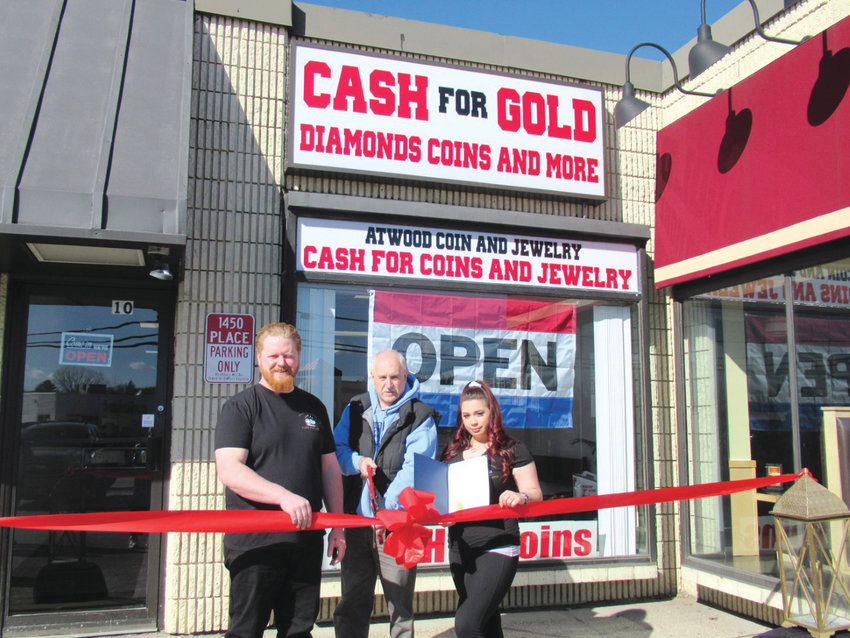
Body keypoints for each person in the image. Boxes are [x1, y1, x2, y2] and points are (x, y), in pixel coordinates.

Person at [214, 322, 346, 638]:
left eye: (288, 355)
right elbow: (230, 469)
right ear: (258, 358)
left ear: (298, 357)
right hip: (255, 544)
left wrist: (338, 528)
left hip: (304, 540)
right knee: (246, 630)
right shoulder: (241, 407)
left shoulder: (314, 408)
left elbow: (329, 469)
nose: (281, 362)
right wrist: (283, 496)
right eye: (273, 355)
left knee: (299, 630)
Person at [332, 350, 439, 638]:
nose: (388, 384)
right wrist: (357, 462)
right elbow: (337, 450)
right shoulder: (354, 409)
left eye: (395, 377)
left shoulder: (421, 417)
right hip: (357, 527)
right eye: (382, 377)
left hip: (397, 528)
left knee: (400, 609)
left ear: (406, 377)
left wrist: (386, 512)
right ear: (372, 378)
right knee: (352, 604)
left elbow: (414, 470)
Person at [441, 380, 542, 638]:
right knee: (487, 624)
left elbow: (535, 495)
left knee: (466, 625)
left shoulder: (512, 449)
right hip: (460, 549)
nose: (473, 421)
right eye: (466, 416)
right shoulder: (453, 451)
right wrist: (442, 514)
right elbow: (443, 499)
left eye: (479, 413)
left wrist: (519, 496)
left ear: (492, 412)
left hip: (498, 544)